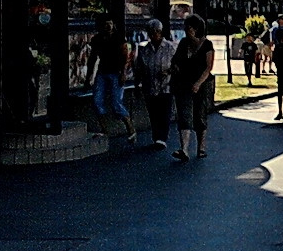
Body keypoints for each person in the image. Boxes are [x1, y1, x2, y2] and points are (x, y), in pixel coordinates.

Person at [170, 13, 215, 161]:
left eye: (190, 27)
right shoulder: (183, 43)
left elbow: (208, 67)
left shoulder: (207, 45)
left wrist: (198, 83)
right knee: (184, 115)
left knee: (200, 116)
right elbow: (176, 60)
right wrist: (175, 67)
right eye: (186, 27)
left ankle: (201, 147)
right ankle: (184, 149)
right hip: (183, 83)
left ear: (197, 28)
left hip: (202, 84)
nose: (187, 30)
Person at [87, 16, 136, 142]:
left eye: (110, 23)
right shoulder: (97, 39)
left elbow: (126, 55)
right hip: (103, 71)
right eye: (106, 24)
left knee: (116, 103)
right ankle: (104, 129)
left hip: (116, 71)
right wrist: (89, 75)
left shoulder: (118, 38)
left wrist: (123, 72)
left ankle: (130, 128)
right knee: (97, 101)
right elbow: (93, 57)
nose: (108, 26)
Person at [134, 19, 176, 149]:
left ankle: (162, 138)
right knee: (153, 113)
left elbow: (179, 65)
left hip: (166, 86)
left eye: (155, 32)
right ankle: (156, 136)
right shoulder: (145, 50)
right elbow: (139, 68)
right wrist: (137, 85)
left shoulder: (170, 47)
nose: (153, 35)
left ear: (160, 32)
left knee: (164, 112)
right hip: (150, 86)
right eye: (150, 33)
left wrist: (169, 71)